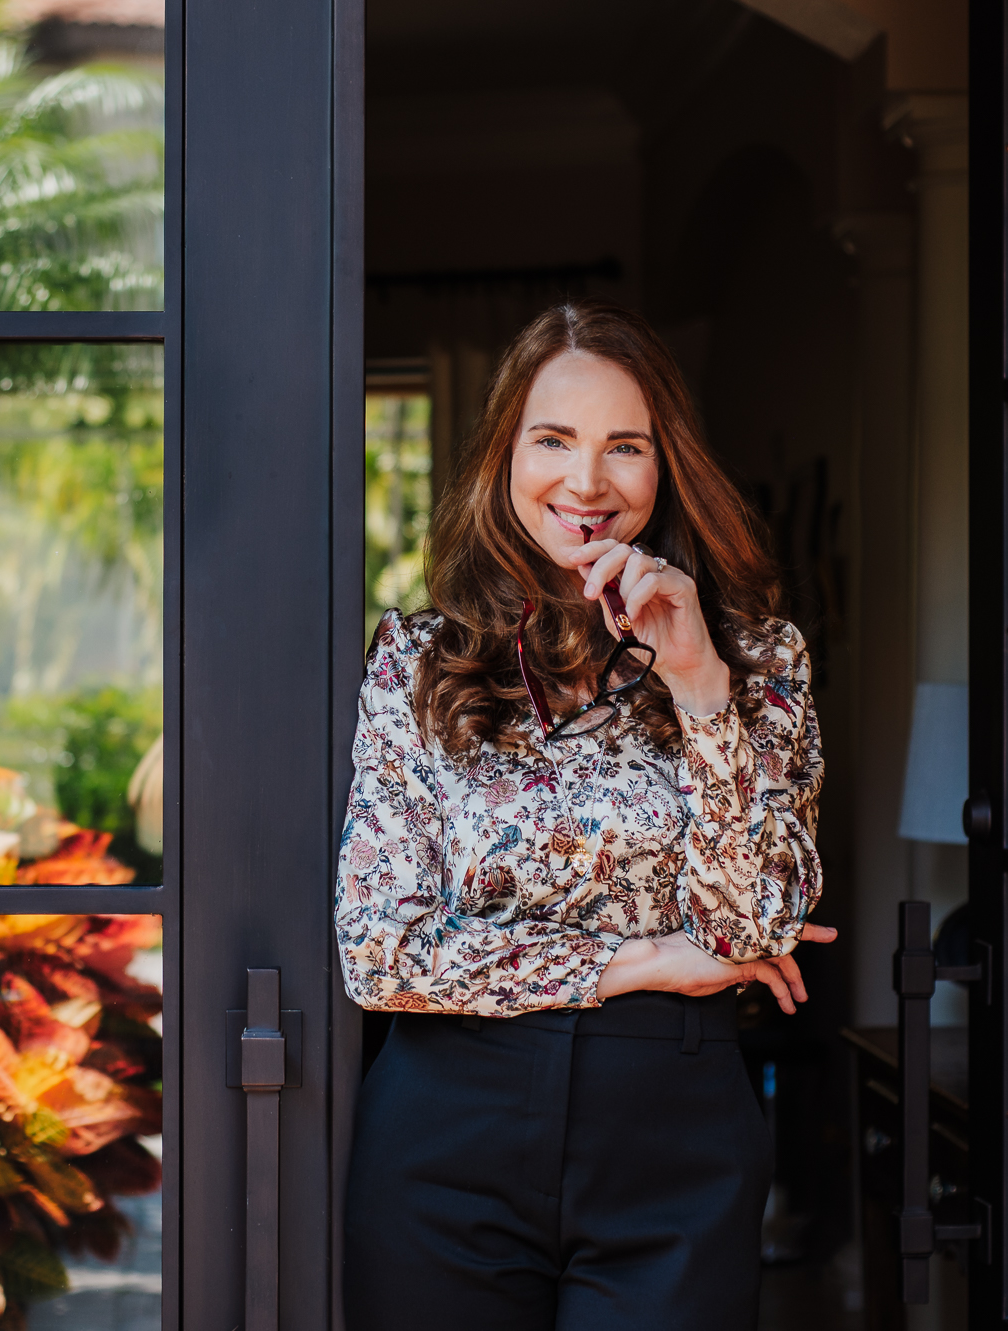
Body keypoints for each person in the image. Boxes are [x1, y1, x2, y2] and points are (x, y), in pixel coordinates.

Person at [336, 301, 837, 1330]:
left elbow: (753, 927)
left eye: (625, 446)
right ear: (501, 457)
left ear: (666, 466)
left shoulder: (759, 656)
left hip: (672, 1138)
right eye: (552, 440)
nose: (586, 481)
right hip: (444, 1140)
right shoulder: (414, 658)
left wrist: (699, 680)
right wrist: (639, 962)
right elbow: (378, 948)